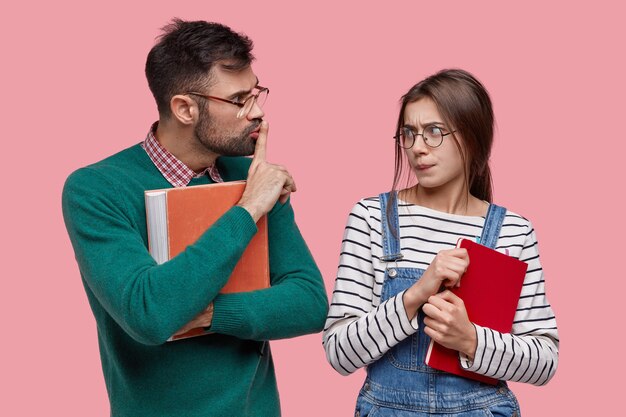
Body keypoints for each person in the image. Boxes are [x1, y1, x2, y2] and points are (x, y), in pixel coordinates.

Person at [62, 19, 328, 417]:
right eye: (239, 100)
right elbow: (151, 314)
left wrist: (211, 314)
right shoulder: (96, 189)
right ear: (185, 108)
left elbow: (309, 302)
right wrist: (249, 208)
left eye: (256, 93)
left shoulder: (251, 173)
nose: (257, 113)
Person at [323, 69, 558, 416]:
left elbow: (544, 361)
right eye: (409, 133)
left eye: (434, 132)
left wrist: (470, 340)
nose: (417, 148)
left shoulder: (514, 231)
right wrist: (415, 295)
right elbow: (339, 354)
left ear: (473, 136)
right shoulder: (372, 218)